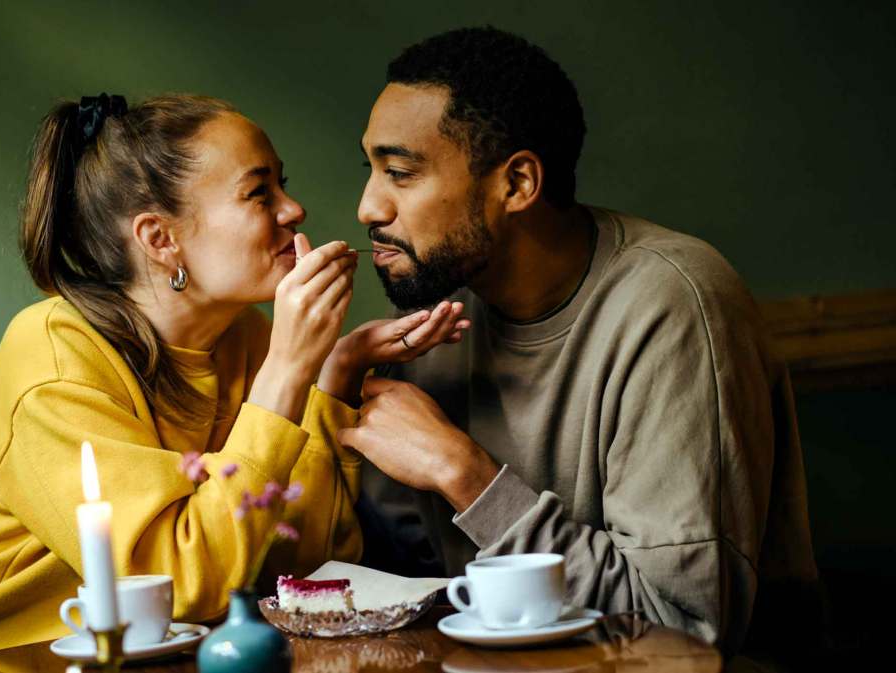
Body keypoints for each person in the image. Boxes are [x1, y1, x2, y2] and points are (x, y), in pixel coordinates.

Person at [0, 93, 465, 664]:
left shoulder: (247, 336)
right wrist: (288, 369)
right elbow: (176, 588)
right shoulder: (54, 358)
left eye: (283, 184)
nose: (293, 209)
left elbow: (303, 569)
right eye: (259, 192)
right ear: (159, 238)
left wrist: (329, 377)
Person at [335, 28, 821, 657]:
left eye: (400, 173)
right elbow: (402, 585)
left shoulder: (673, 305)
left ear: (517, 184)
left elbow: (682, 634)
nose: (368, 206)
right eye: (371, 169)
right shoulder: (439, 311)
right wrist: (324, 383)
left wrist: (469, 478)